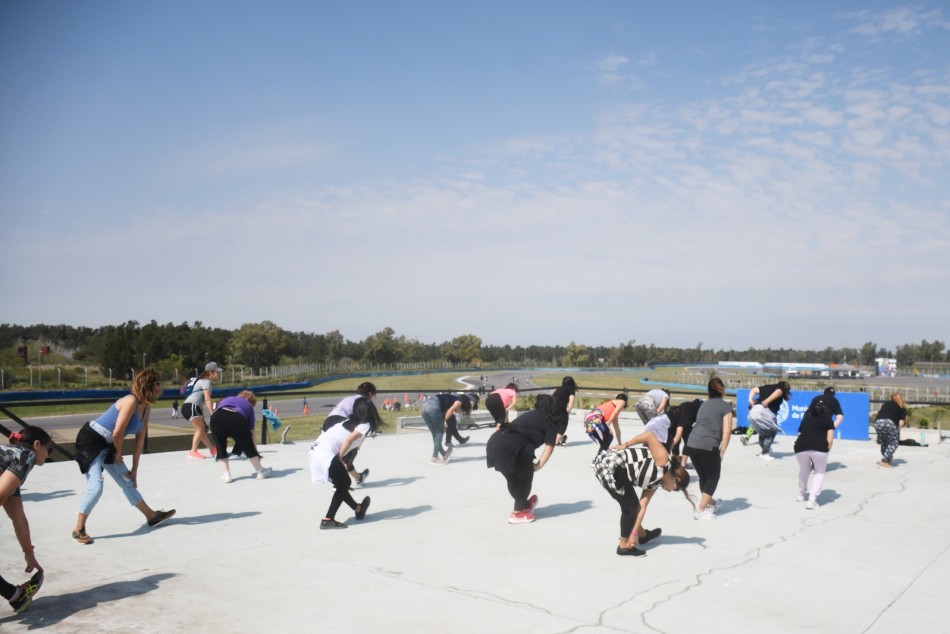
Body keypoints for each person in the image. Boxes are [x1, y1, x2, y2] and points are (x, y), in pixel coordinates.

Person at [71, 368, 176, 545]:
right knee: (96, 486)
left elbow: (140, 441)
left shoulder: (146, 408)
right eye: (158, 384)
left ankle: (151, 516)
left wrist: (135, 469)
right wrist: (117, 453)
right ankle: (79, 528)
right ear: (149, 386)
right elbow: (118, 432)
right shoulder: (130, 401)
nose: (161, 388)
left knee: (128, 480)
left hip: (110, 443)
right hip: (91, 441)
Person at [594, 429, 695, 556]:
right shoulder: (664, 461)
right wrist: (625, 445)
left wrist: (634, 534)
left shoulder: (656, 483)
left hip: (618, 471)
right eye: (674, 489)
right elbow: (649, 435)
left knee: (633, 507)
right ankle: (623, 546)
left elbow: (642, 507)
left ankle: (643, 535)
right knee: (629, 507)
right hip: (610, 465)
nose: (670, 491)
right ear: (676, 479)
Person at [308, 397, 382, 529]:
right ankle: (328, 519)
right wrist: (340, 458)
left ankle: (358, 509)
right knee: (345, 483)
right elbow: (348, 441)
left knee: (341, 484)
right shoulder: (365, 424)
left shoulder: (346, 422)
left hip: (315, 451)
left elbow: (351, 443)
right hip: (327, 454)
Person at [0, 426, 51, 613]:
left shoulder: (10, 461)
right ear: (37, 445)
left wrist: (28, 552)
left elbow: (18, 517)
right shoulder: (26, 456)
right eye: (49, 448)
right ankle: (15, 596)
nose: (48, 454)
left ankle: (15, 596)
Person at [485, 394, 558, 524]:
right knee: (525, 477)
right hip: (516, 448)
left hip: (494, 443)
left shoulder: (528, 415)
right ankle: (517, 514)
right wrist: (538, 465)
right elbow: (549, 447)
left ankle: (524, 505)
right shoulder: (551, 420)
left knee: (512, 477)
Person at [684, 378, 734, 520]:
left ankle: (711, 503)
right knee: (713, 477)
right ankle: (700, 510)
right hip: (708, 445)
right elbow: (727, 431)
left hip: (692, 443)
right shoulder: (726, 406)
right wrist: (722, 451)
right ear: (722, 390)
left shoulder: (704, 405)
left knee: (704, 477)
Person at [209, 390, 272, 483]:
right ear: (249, 400)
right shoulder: (249, 406)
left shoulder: (227, 399)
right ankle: (260, 471)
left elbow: (220, 412)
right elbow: (251, 432)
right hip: (235, 418)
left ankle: (226, 475)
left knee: (220, 446)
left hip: (215, 418)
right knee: (247, 445)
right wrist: (254, 451)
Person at [322, 382, 377, 484]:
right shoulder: (364, 403)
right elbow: (363, 425)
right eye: (373, 396)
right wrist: (359, 444)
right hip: (340, 422)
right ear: (370, 393)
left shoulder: (349, 398)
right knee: (347, 455)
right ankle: (338, 482)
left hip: (328, 422)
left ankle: (358, 478)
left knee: (341, 455)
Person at [794, 399, 835, 509]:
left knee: (804, 470)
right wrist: (826, 451)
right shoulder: (828, 421)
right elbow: (830, 439)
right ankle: (812, 501)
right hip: (819, 448)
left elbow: (799, 434)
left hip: (800, 447)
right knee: (819, 473)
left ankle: (801, 494)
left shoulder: (805, 420)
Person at [182, 362, 224, 459]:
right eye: (217, 372)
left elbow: (200, 401)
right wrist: (213, 414)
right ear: (211, 372)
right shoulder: (206, 382)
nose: (219, 374)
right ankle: (193, 452)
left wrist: (202, 415)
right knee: (200, 429)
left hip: (191, 407)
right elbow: (207, 399)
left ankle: (213, 450)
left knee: (202, 430)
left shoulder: (203, 381)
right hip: (191, 406)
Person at [743, 380, 791, 460]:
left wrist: (750, 399)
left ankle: (764, 451)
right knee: (772, 432)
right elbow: (778, 391)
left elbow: (754, 390)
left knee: (763, 433)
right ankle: (765, 453)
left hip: (753, 412)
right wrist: (767, 401)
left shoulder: (767, 387)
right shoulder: (780, 389)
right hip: (765, 412)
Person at [420, 393, 472, 464]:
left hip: (424, 406)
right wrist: (443, 423)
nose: (459, 411)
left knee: (435, 434)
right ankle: (434, 458)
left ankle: (444, 455)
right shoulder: (459, 402)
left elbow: (447, 412)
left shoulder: (450, 399)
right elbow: (450, 411)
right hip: (433, 407)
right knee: (439, 432)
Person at [874, 392, 907, 469]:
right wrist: (897, 430)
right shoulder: (902, 407)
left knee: (884, 441)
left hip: (877, 422)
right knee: (894, 442)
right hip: (889, 423)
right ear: (901, 398)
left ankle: (887, 458)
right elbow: (901, 422)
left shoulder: (886, 404)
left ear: (892, 398)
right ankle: (884, 461)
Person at [667, 398, 703, 467]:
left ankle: (676, 462)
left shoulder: (687, 404)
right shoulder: (699, 409)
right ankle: (683, 463)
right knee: (689, 442)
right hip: (685, 422)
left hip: (676, 421)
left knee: (676, 440)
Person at [552, 376, 578, 446]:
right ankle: (556, 441)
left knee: (556, 424)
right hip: (560, 408)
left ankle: (561, 439)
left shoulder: (559, 388)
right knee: (563, 424)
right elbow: (571, 401)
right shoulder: (571, 389)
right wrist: (568, 411)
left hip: (551, 407)